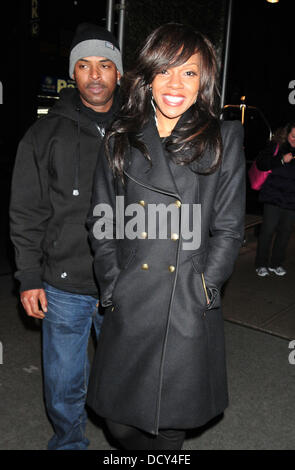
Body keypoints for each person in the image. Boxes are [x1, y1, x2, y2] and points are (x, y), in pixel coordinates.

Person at [86, 23, 245, 450]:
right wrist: (112, 282)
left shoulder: (223, 139)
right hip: (133, 296)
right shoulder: (120, 138)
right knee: (119, 422)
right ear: (148, 78)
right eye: (165, 71)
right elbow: (103, 220)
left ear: (203, 81)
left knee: (169, 424)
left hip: (186, 301)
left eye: (189, 73)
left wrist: (205, 287)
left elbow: (229, 227)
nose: (176, 84)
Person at [9, 23, 123, 450]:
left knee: (128, 381)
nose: (95, 75)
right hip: (63, 285)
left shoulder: (140, 131)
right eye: (84, 65)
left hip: (126, 283)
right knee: (63, 384)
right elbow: (25, 210)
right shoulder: (43, 135)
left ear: (119, 74)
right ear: (72, 73)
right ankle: (69, 443)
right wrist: (29, 276)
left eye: (105, 64)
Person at [255, 121, 295, 277]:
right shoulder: (276, 146)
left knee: (285, 232)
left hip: (291, 199)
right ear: (287, 134)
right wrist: (280, 160)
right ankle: (261, 264)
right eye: (293, 136)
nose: (294, 140)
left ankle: (276, 263)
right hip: (273, 196)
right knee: (268, 231)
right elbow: (261, 163)